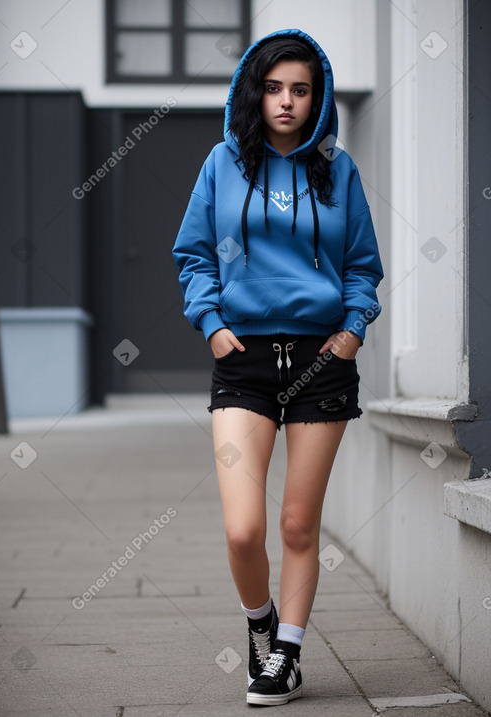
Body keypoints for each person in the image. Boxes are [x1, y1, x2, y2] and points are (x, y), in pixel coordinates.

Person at [173, 28, 384, 706]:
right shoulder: (222, 162)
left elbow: (362, 267)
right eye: (273, 88)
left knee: (298, 523)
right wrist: (212, 323)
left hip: (321, 358)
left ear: (316, 97)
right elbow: (194, 253)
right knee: (244, 528)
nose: (286, 101)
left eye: (300, 89)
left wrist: (351, 330)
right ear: (253, 92)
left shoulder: (338, 168)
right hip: (245, 358)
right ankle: (261, 626)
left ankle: (286, 653)